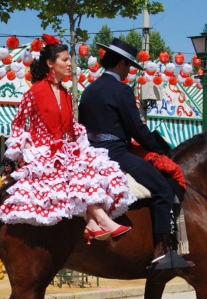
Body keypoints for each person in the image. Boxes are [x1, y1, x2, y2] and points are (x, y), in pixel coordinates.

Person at [0, 34, 135, 245]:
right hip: (43, 154)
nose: (70, 63)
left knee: (91, 170)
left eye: (70, 59)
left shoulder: (67, 94)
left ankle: (93, 223)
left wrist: (81, 146)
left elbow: (70, 129)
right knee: (78, 171)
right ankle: (99, 220)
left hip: (65, 151)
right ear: (51, 63)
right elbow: (18, 123)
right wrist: (27, 145)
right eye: (65, 59)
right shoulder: (35, 92)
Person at [78, 38, 190, 269]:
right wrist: (163, 149)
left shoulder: (88, 90)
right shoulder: (122, 91)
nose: (128, 71)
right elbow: (136, 130)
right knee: (163, 188)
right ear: (120, 64)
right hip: (116, 153)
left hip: (90, 154)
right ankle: (162, 251)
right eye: (128, 66)